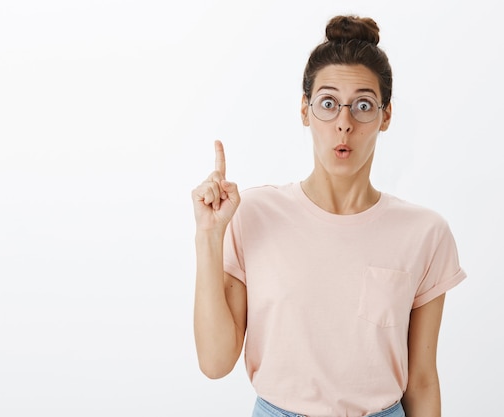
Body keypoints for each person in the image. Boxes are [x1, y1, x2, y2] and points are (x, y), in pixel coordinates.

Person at [191, 15, 466, 417]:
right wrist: (208, 237)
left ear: (385, 116)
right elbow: (215, 363)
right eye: (328, 103)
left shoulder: (425, 233)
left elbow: (422, 379)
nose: (344, 123)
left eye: (363, 105)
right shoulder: (252, 214)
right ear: (305, 111)